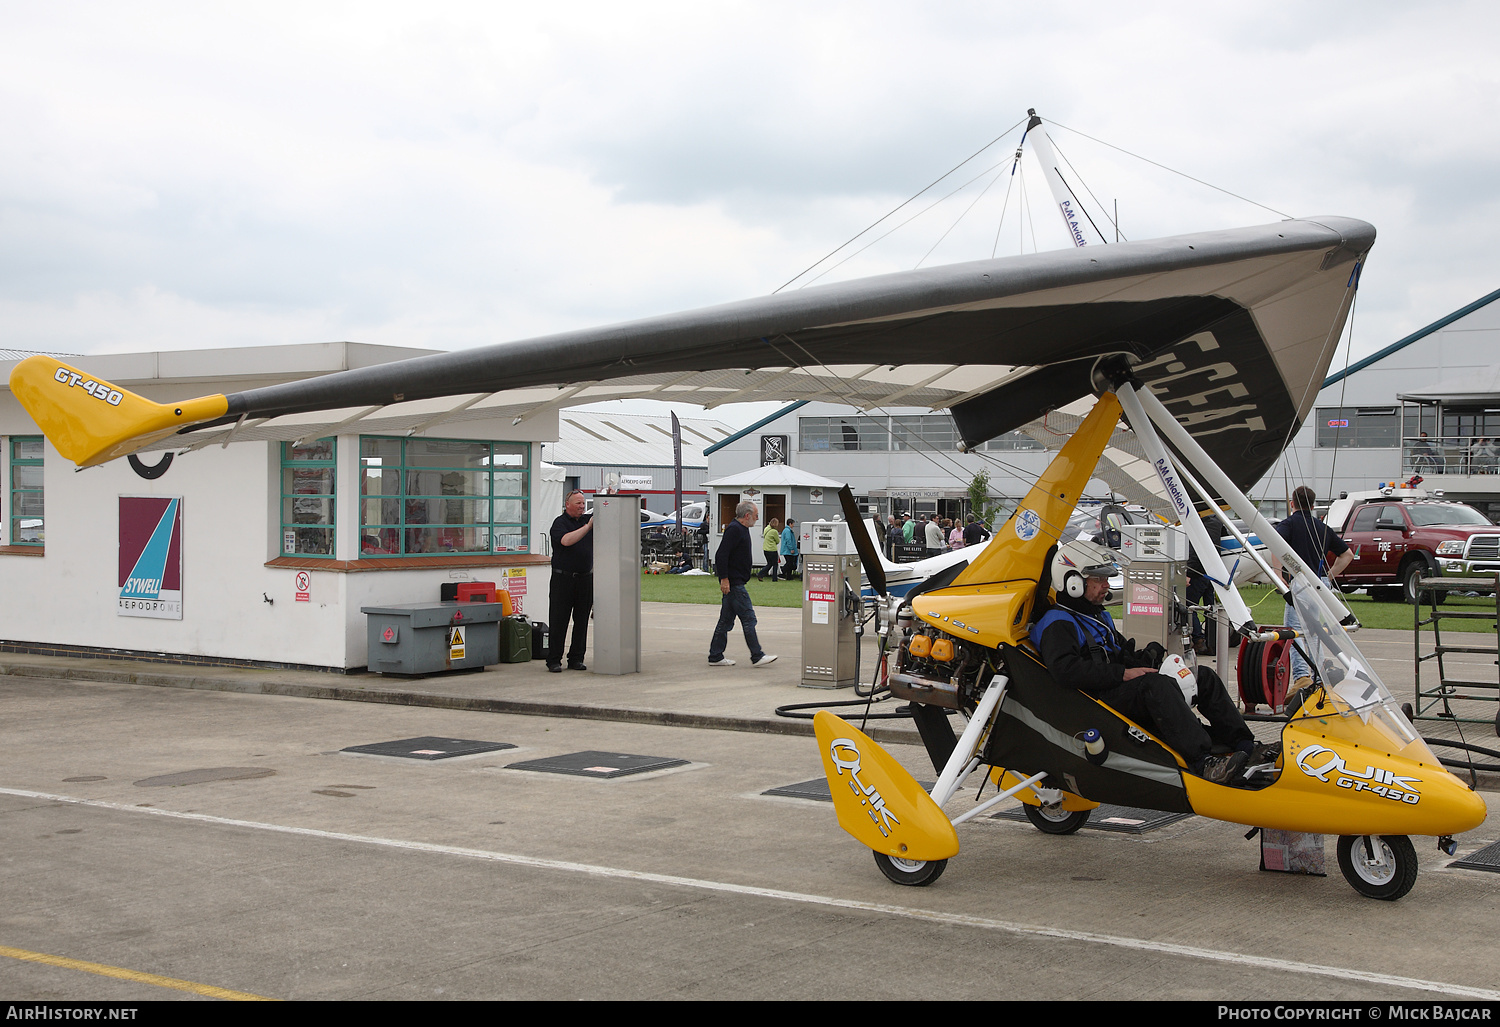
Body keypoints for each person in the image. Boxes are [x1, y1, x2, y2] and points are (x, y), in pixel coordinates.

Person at [1031, 539, 1259, 784]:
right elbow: (1065, 670)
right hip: (1095, 699)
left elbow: (1117, 652)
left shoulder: (1096, 614)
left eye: (1106, 579)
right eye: (1099, 580)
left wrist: (1146, 657)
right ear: (1072, 582)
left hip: (1113, 684)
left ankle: (1244, 745)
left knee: (1202, 676)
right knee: (1156, 686)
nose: (1106, 587)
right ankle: (1203, 763)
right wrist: (1122, 674)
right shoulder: (1058, 622)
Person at [1271, 486, 1354, 691]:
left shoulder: (1288, 524)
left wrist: (1279, 575)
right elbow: (1347, 555)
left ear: (1292, 504)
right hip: (1320, 583)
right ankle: (1318, 675)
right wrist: (1329, 576)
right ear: (1313, 504)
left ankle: (1301, 677)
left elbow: (1275, 544)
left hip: (1299, 583)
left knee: (1296, 631)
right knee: (1315, 631)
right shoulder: (1322, 527)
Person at [709, 501, 778, 668]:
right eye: (755, 515)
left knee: (725, 621)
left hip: (735, 582)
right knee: (748, 618)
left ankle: (715, 655)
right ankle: (757, 655)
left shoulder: (741, 529)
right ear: (747, 515)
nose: (757, 518)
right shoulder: (734, 529)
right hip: (734, 583)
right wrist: (724, 579)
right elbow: (721, 555)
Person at [547, 490, 594, 673]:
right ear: (567, 504)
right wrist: (587, 528)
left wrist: (609, 495)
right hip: (563, 579)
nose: (582, 507)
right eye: (578, 504)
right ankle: (554, 660)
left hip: (584, 579)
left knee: (581, 621)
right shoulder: (560, 523)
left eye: (583, 504)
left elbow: (603, 510)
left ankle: (576, 658)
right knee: (559, 620)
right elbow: (566, 541)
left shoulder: (586, 520)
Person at [758, 516, 782, 581]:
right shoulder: (774, 531)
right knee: (775, 564)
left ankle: (761, 574)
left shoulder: (766, 528)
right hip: (772, 549)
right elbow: (777, 541)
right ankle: (774, 578)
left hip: (765, 549)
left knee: (769, 563)